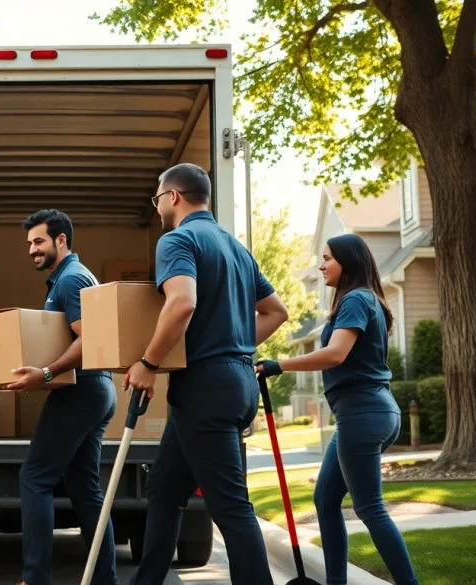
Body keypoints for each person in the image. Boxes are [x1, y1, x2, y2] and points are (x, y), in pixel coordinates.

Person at [123, 163, 289, 585]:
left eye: (158, 197)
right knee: (164, 491)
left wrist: (148, 363)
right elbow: (276, 312)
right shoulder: (236, 248)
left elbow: (182, 304)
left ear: (174, 196)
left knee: (231, 508)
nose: (157, 205)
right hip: (233, 383)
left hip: (205, 388)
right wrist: (235, 340)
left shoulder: (178, 239)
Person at [257, 234, 419, 585]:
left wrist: (279, 365)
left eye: (328, 258)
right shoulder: (362, 300)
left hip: (364, 414)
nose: (321, 265)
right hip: (364, 414)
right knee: (326, 499)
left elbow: (335, 353)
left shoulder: (357, 299)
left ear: (348, 262)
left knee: (370, 508)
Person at [6, 209, 118, 585]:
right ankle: (106, 579)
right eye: (29, 243)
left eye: (38, 241)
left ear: (61, 240)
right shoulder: (68, 279)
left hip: (81, 390)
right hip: (96, 390)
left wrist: (47, 373)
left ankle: (36, 578)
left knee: (34, 477)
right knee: (86, 491)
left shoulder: (70, 280)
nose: (31, 250)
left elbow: (91, 338)